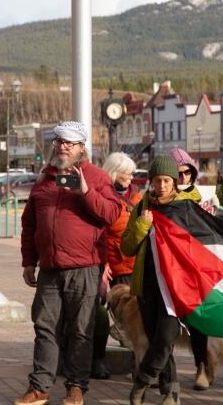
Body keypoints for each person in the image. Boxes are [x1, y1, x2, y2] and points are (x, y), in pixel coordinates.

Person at [14, 121, 121, 405]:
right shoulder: (44, 179)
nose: (62, 147)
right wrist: (28, 261)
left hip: (84, 268)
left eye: (69, 143)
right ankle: (40, 388)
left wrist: (85, 192)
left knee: (80, 330)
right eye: (59, 141)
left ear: (82, 148)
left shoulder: (97, 177)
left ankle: (76, 388)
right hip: (50, 269)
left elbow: (111, 214)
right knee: (44, 327)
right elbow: (29, 224)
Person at [123, 154, 201, 405]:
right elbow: (127, 247)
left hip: (175, 286)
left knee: (166, 336)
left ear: (175, 181)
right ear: (151, 181)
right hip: (146, 283)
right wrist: (143, 225)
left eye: (167, 180)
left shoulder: (185, 206)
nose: (162, 185)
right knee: (157, 338)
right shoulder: (142, 205)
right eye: (157, 180)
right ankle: (170, 392)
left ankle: (142, 380)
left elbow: (198, 244)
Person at [91, 152, 141, 380]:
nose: (131, 177)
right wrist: (105, 263)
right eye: (126, 172)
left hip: (131, 265)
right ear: (113, 171)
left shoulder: (138, 198)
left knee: (132, 316)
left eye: (132, 172)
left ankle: (138, 363)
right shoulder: (100, 196)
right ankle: (96, 359)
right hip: (106, 264)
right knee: (98, 312)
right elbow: (96, 233)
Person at [168, 147, 213, 391]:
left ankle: (202, 368)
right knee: (165, 324)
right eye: (179, 173)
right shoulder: (160, 198)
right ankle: (165, 373)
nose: (183, 178)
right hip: (169, 269)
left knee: (198, 324)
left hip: (195, 271)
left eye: (187, 173)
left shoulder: (202, 200)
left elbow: (211, 233)